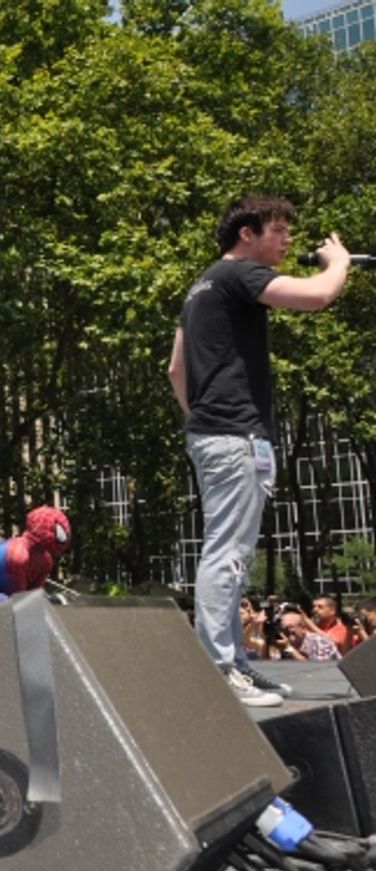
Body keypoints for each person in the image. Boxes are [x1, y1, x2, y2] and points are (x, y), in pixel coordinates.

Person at [167, 196, 349, 707]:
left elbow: (176, 369)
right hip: (235, 435)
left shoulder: (199, 288)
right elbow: (315, 297)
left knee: (231, 554)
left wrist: (200, 421)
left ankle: (236, 666)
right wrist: (337, 265)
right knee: (227, 554)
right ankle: (221, 669)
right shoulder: (238, 275)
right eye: (279, 230)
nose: (288, 241)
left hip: (213, 433)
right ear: (247, 234)